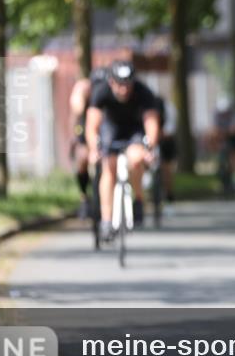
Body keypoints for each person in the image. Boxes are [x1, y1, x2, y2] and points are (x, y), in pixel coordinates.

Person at [85, 61, 160, 242]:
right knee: (108, 167)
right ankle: (106, 220)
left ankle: (139, 199)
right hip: (111, 130)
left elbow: (151, 123)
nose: (124, 89)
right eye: (119, 84)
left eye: (127, 85)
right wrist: (93, 149)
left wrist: (150, 148)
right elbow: (92, 124)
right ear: (111, 82)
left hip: (134, 131)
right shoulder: (101, 91)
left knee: (135, 159)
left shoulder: (144, 92)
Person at [67, 67, 108, 218]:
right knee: (82, 158)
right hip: (86, 127)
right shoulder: (83, 92)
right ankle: (84, 195)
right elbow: (75, 116)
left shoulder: (110, 94)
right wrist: (74, 139)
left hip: (106, 127)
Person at [211, 102, 235, 196]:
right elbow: (215, 131)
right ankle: (223, 182)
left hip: (234, 140)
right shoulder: (216, 115)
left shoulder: (234, 114)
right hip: (222, 140)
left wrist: (223, 132)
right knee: (221, 160)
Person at [153, 94, 178, 203]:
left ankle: (169, 193)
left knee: (167, 166)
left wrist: (160, 134)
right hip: (150, 136)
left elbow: (170, 128)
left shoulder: (168, 108)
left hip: (165, 139)